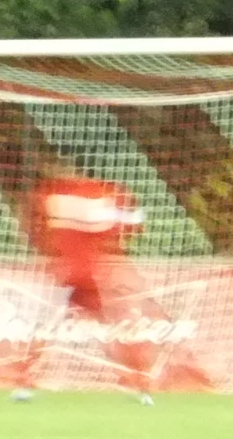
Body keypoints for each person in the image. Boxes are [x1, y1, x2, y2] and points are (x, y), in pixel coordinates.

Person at [17, 159, 153, 404]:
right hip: (88, 276)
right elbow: (129, 225)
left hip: (64, 274)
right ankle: (140, 387)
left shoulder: (53, 193)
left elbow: (34, 225)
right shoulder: (102, 195)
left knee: (45, 328)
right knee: (111, 330)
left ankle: (25, 385)